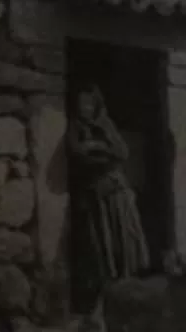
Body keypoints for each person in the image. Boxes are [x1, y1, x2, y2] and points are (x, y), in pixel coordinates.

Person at [69, 86, 151, 315]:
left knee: (123, 242)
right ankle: (103, 305)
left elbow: (122, 152)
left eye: (88, 105)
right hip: (97, 195)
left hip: (117, 193)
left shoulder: (106, 125)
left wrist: (95, 145)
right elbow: (76, 153)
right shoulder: (75, 127)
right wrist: (104, 153)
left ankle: (126, 297)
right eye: (80, 105)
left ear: (95, 106)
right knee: (102, 247)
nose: (83, 109)